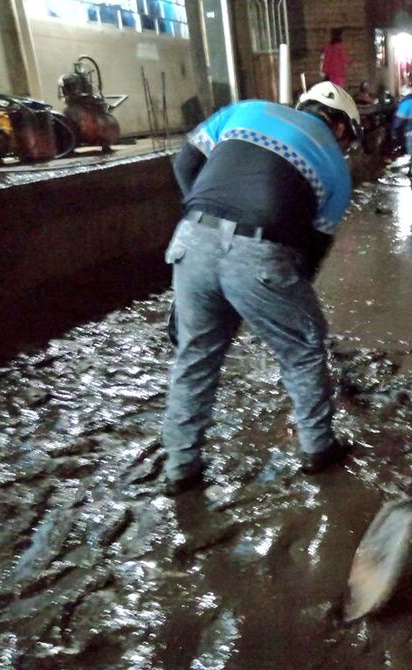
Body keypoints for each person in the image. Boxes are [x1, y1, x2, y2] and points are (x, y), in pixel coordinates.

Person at [161, 82, 362, 495]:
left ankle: (181, 468)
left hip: (190, 239)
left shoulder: (246, 110)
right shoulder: (338, 171)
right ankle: (317, 448)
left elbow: (184, 162)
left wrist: (202, 214)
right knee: (303, 349)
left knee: (195, 355)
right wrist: (280, 299)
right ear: (340, 127)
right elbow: (311, 251)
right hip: (260, 253)